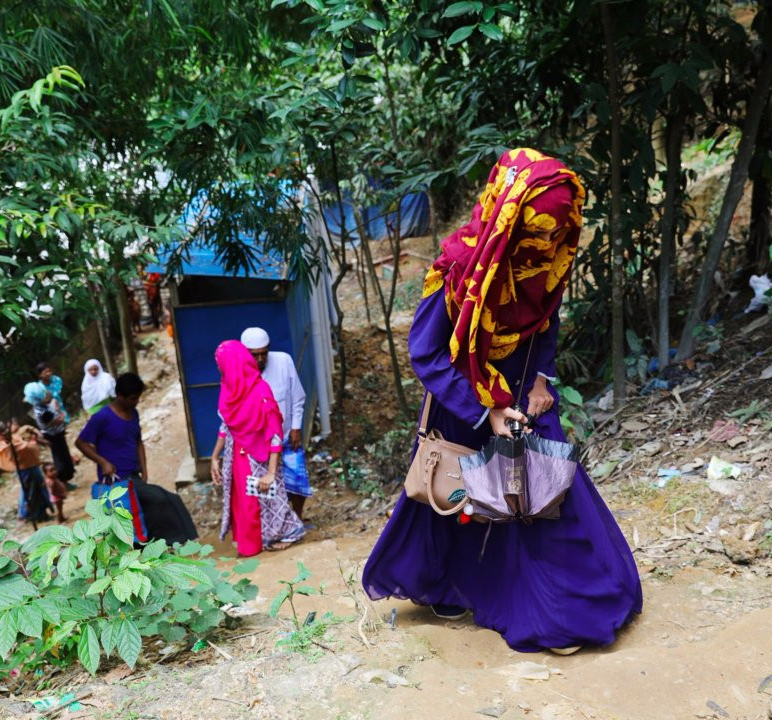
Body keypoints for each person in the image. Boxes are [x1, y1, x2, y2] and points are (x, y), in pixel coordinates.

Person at [361, 148, 642, 655]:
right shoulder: (457, 270)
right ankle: (449, 586)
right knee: (458, 505)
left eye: (557, 235)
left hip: (526, 401)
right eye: (536, 235)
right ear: (506, 219)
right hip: (465, 400)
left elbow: (546, 321)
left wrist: (540, 379)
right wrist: (484, 410)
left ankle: (569, 612)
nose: (546, 246)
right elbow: (426, 354)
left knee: (546, 502)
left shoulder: (546, 263)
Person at [76, 372, 198, 545]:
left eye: (137, 398)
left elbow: (138, 442)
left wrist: (145, 470)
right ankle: (163, 542)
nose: (136, 402)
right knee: (159, 499)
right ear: (119, 396)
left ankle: (160, 542)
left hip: (134, 477)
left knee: (164, 499)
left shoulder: (133, 413)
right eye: (133, 398)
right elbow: (80, 442)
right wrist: (103, 462)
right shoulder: (102, 417)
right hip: (116, 481)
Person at [210, 340, 306, 556]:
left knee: (263, 499)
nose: (219, 368)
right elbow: (226, 424)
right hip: (236, 455)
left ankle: (281, 534)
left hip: (259, 457)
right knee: (243, 501)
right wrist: (215, 457)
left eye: (221, 363)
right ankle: (252, 543)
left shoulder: (260, 390)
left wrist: (272, 472)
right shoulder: (229, 388)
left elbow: (274, 434)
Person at [239, 328, 312, 520]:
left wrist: (296, 426)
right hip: (259, 443)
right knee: (264, 488)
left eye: (264, 353)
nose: (261, 359)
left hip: (287, 435)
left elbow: (298, 397)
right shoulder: (238, 373)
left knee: (297, 480)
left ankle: (297, 518)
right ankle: (275, 524)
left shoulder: (283, 361)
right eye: (256, 355)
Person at [0, 420, 51, 522]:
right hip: (25, 470)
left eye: (6, 428)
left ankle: (41, 512)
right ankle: (30, 514)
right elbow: (15, 454)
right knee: (31, 492)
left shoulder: (13, 438)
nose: (6, 431)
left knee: (39, 488)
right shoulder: (3, 445)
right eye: (2, 431)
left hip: (31, 466)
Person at [24, 379, 75, 486]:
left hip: (56, 433)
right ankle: (63, 480)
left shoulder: (41, 406)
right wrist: (61, 417)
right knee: (61, 458)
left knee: (63, 455)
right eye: (46, 393)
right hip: (53, 436)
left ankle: (65, 477)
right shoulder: (42, 412)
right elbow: (51, 423)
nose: (49, 393)